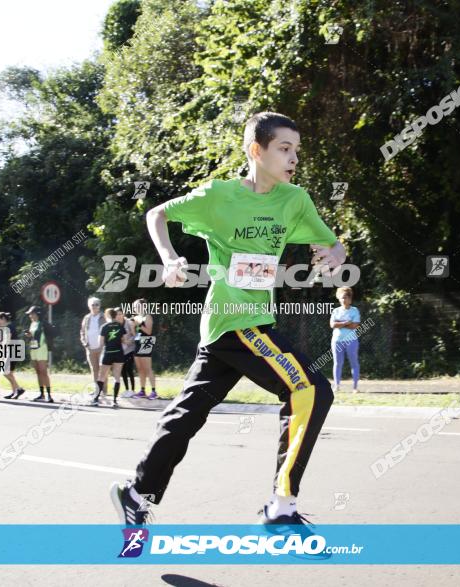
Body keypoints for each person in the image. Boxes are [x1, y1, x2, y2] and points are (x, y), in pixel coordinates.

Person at [110, 112, 347, 528]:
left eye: (297, 151)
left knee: (185, 415)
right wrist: (169, 259)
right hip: (236, 321)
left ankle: (136, 492)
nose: (294, 159)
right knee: (310, 389)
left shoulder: (295, 201)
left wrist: (333, 255)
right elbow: (157, 215)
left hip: (243, 325)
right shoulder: (218, 197)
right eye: (284, 149)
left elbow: (333, 244)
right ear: (257, 151)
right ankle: (281, 506)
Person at [92, 307, 129, 408]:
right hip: (119, 353)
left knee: (102, 376)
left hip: (108, 353)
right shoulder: (121, 327)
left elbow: (100, 343)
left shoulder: (104, 327)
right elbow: (125, 341)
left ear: (108, 315)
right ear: (115, 315)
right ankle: (114, 401)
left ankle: (96, 399)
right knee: (117, 377)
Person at [329, 287, 362, 393]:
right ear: (339, 299)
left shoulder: (354, 310)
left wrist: (340, 324)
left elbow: (355, 325)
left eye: (346, 297)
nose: (343, 300)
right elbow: (332, 324)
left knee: (354, 363)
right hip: (337, 341)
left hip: (351, 341)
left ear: (350, 299)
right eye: (341, 298)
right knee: (337, 363)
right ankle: (337, 386)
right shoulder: (336, 311)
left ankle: (355, 387)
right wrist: (346, 323)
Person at [24, 306, 55, 403]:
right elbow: (32, 337)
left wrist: (48, 343)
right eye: (29, 314)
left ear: (37, 313)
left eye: (32, 313)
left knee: (43, 372)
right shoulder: (32, 323)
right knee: (38, 372)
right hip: (33, 349)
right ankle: (41, 394)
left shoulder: (43, 323)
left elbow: (52, 333)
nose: (30, 315)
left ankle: (49, 395)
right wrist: (29, 336)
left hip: (42, 349)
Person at [131, 299, 158, 399]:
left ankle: (154, 391)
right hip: (138, 342)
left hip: (147, 341)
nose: (135, 308)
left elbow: (148, 331)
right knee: (140, 369)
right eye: (134, 306)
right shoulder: (137, 317)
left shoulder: (148, 316)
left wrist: (138, 324)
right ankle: (142, 391)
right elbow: (135, 334)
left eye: (137, 306)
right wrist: (132, 326)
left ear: (144, 306)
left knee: (147, 368)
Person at [0, 312, 26, 400]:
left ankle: (18, 389)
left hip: (11, 352)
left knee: (5, 372)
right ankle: (14, 392)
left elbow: (7, 341)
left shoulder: (8, 328)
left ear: (3, 319)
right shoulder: (9, 327)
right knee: (10, 373)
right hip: (12, 351)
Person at [80, 297, 105, 385]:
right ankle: (96, 389)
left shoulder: (104, 317)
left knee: (103, 370)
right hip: (90, 348)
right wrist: (85, 343)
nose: (94, 306)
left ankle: (104, 391)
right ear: (89, 306)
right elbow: (82, 332)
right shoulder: (86, 318)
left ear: (99, 306)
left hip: (102, 348)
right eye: (92, 305)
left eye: (96, 304)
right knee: (94, 370)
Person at [117, 308, 137, 395]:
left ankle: (132, 390)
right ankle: (126, 389)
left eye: (120, 313)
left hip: (130, 349)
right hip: (120, 351)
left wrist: (129, 341)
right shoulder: (115, 324)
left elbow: (135, 335)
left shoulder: (129, 322)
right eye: (117, 314)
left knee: (129, 369)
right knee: (123, 370)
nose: (118, 316)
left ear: (123, 314)